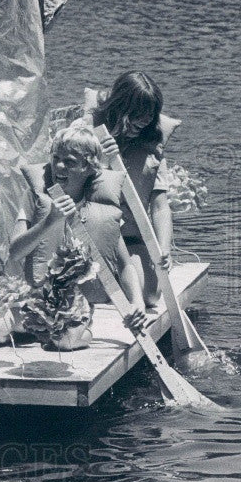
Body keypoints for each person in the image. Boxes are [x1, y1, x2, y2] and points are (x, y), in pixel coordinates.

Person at [7, 122, 147, 330]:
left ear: (89, 168)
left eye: (70, 162)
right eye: (56, 158)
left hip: (72, 306)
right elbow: (14, 252)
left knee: (65, 339)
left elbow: (125, 265)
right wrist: (49, 221)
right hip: (32, 298)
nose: (59, 166)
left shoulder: (101, 207)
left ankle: (77, 330)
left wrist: (137, 302)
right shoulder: (34, 196)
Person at [89, 71, 179, 308]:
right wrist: (103, 160)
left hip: (130, 240)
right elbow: (78, 191)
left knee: (150, 295)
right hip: (96, 236)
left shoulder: (152, 151)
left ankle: (116, 278)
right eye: (139, 114)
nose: (145, 121)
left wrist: (164, 250)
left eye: (150, 115)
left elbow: (160, 207)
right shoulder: (90, 138)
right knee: (98, 291)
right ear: (120, 107)